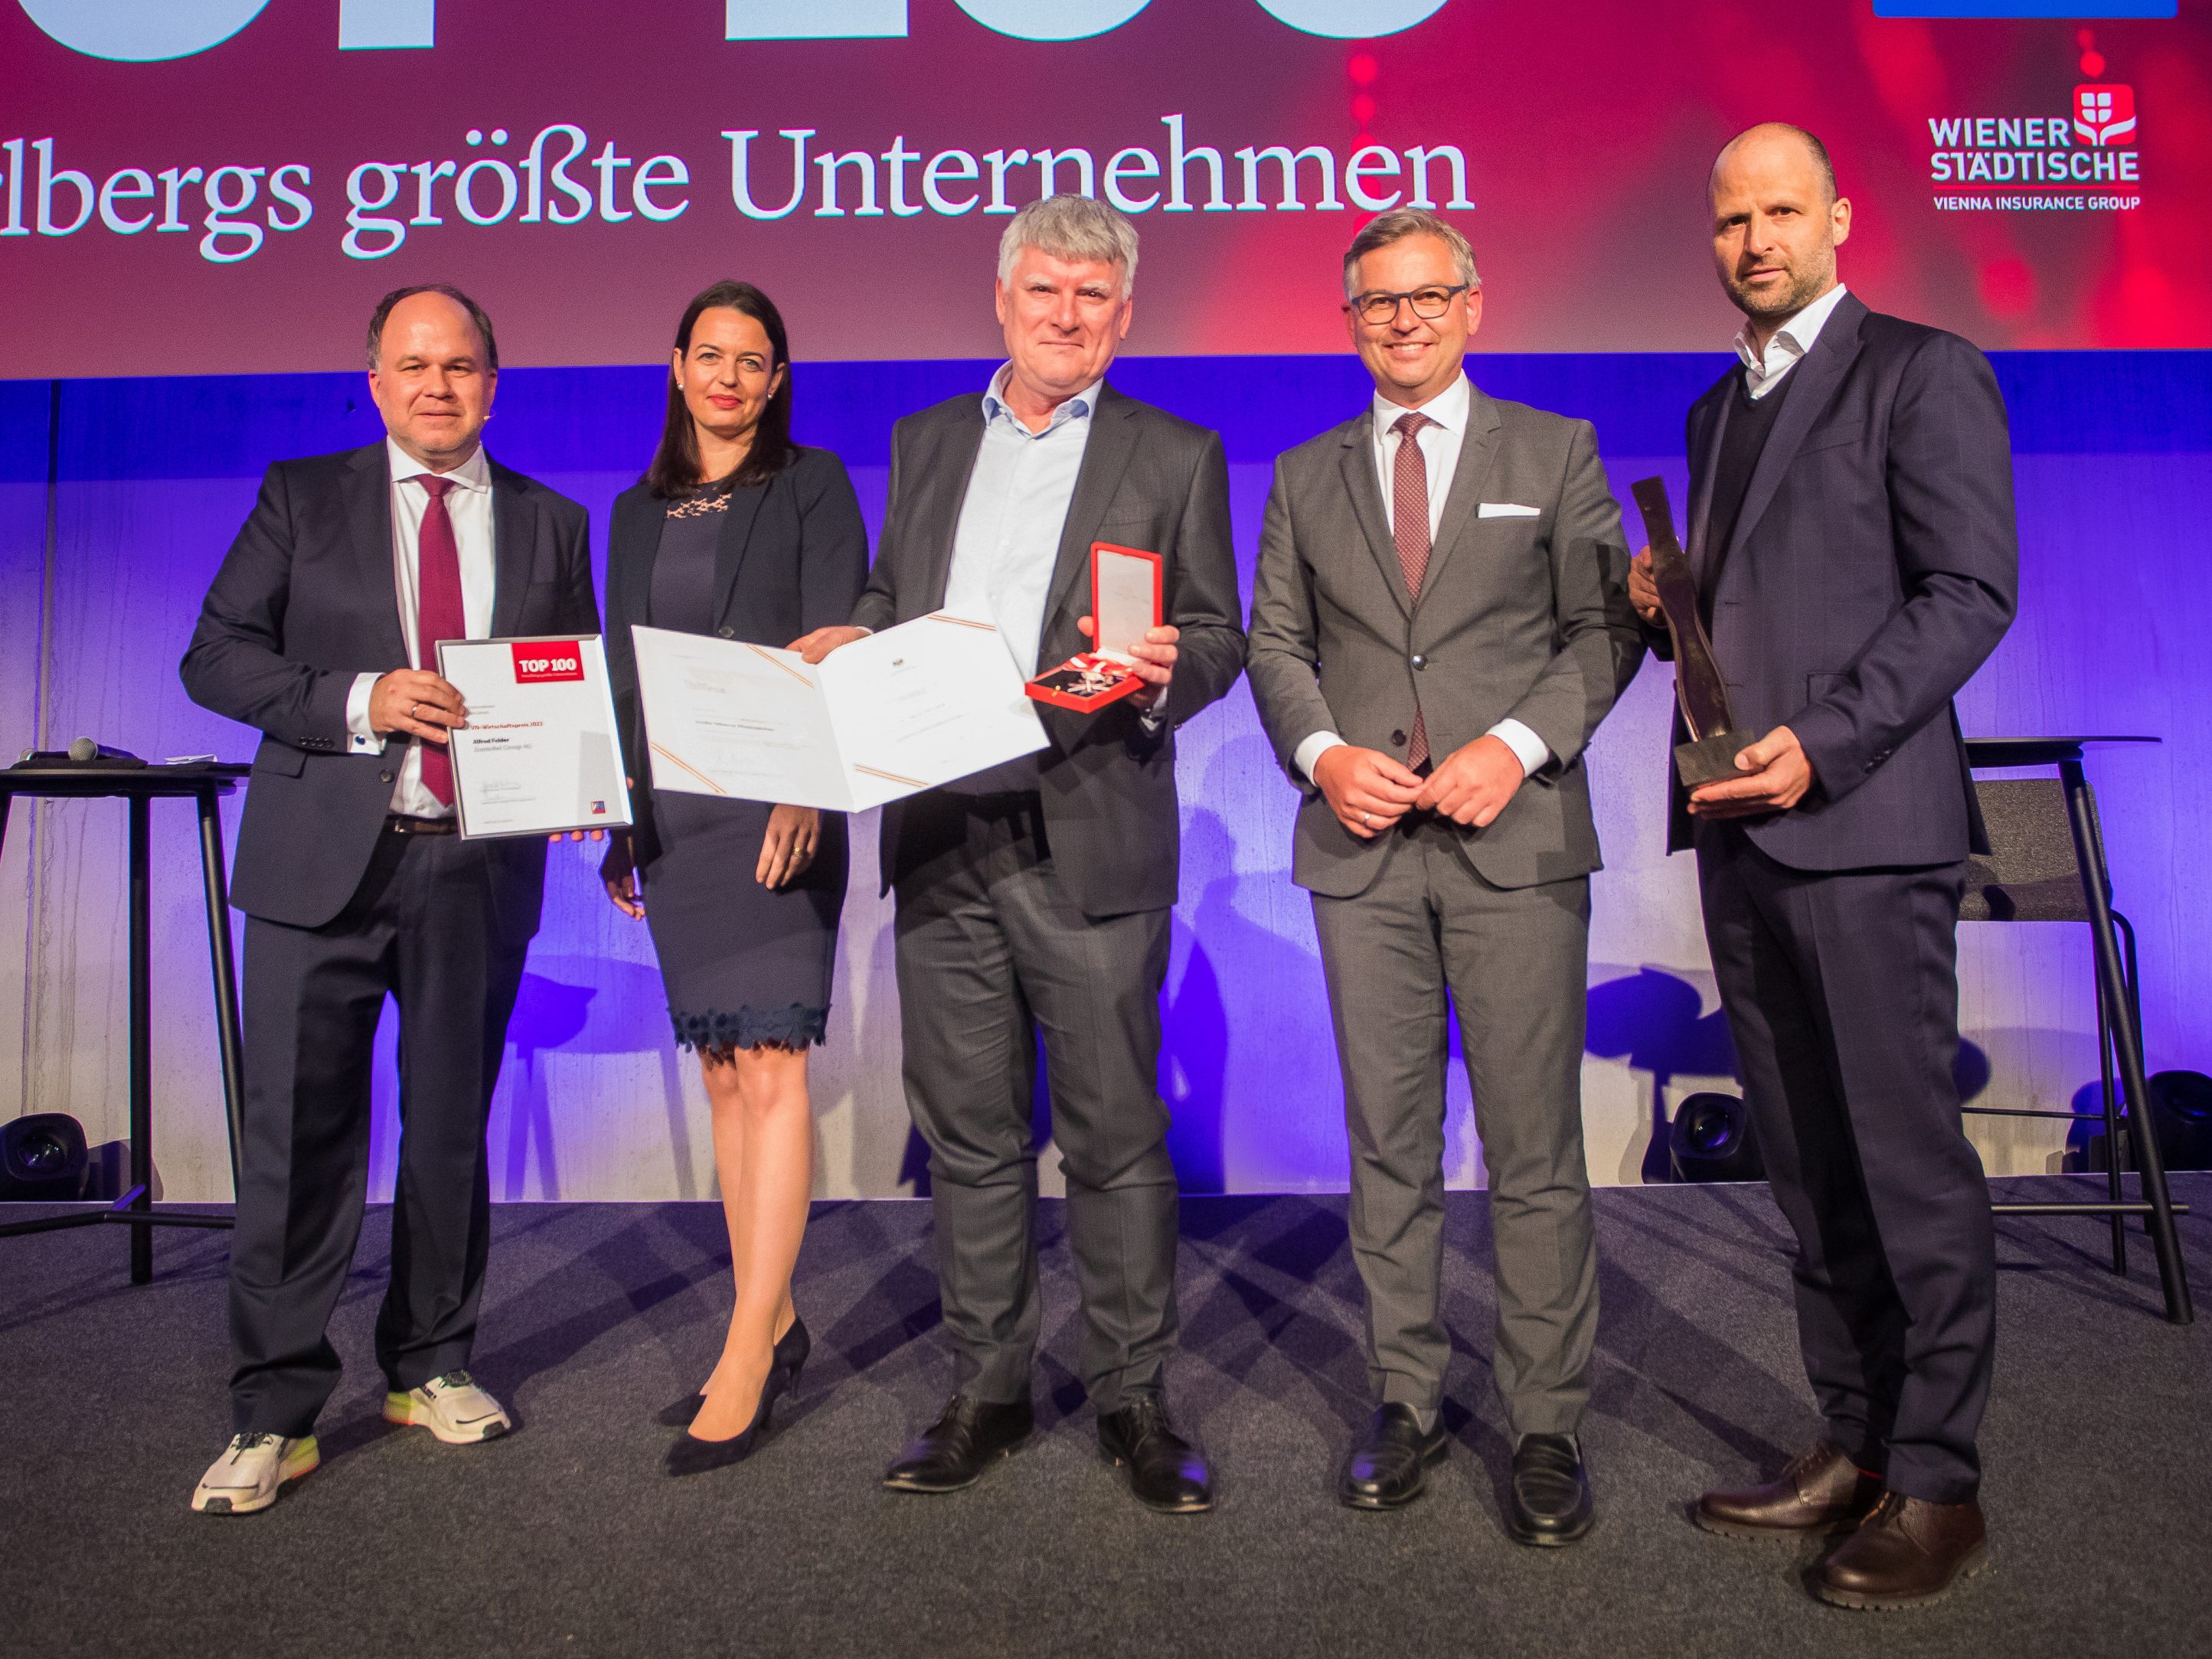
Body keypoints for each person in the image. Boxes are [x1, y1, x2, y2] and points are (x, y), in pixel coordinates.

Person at [792, 195, 1245, 1514]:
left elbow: (1215, 632)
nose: (1066, 315)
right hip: (941, 831)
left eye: (1093, 296)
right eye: (1044, 290)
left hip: (1089, 831)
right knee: (971, 1136)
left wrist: (1165, 672)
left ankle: (1133, 1398)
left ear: (1125, 315)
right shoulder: (927, 439)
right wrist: (853, 638)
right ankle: (985, 1391)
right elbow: (893, 595)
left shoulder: (1176, 452)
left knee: (1113, 1136)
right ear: (1002, 299)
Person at [1628, 124, 2017, 1608]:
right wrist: (1667, 612)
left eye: (1781, 211)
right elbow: (1754, 617)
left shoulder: (1920, 369)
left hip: (1862, 824)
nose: (1756, 240)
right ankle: (1852, 1444)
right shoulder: (1712, 409)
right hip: (1741, 826)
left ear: (1838, 218)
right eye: (1732, 219)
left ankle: (1936, 1482)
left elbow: (1967, 591)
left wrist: (1826, 741)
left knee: (1902, 1167)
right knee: (1804, 1163)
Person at [1246, 207, 1643, 1545]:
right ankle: (1404, 1400)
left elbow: (1600, 632)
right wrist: (1321, 756)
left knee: (1533, 1148)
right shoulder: (1302, 473)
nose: (1403, 319)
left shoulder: (1555, 448)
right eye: (1378, 302)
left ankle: (1545, 1425)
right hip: (1360, 850)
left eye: (1427, 295)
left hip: (1513, 841)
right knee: (1387, 1145)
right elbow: (1275, 645)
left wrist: (1512, 746)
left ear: (1473, 304)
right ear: (1348, 321)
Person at [179, 284, 598, 1514]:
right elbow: (215, 657)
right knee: (296, 1138)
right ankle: (274, 1412)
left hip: (473, 867)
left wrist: (585, 784)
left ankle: (431, 1366)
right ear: (375, 383)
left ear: (492, 385)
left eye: (459, 366)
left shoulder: (552, 521)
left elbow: (571, 688)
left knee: (449, 1128)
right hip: (317, 868)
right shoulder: (301, 497)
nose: (436, 386)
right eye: (413, 365)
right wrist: (364, 698)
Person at [597, 281, 868, 1475]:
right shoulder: (635, 511)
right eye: (710, 355)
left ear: (776, 379)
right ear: (677, 366)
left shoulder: (810, 483)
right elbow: (623, 673)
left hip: (776, 808)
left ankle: (746, 1350)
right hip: (675, 817)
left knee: (771, 1064)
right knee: (720, 1071)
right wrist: (616, 816)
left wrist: (806, 787)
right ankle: (777, 1316)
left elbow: (833, 646)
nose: (728, 377)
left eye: (752, 361)